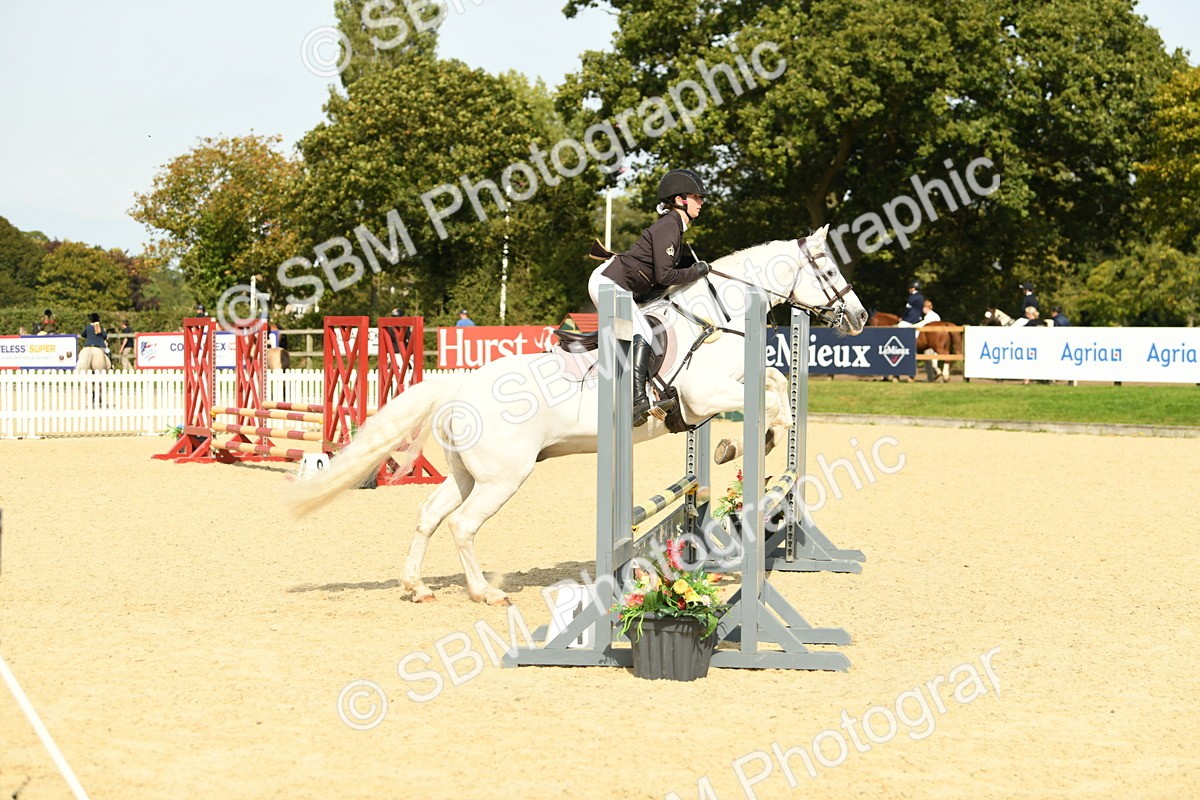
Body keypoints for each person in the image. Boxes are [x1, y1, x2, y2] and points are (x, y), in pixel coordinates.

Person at [588, 168, 711, 425]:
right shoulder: (669, 226)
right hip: (609, 283)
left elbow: (658, 279)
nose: (701, 202)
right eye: (696, 197)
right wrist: (696, 271)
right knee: (642, 332)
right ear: (680, 200)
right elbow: (666, 276)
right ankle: (636, 402)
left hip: (616, 283)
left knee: (643, 330)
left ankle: (642, 393)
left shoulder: (674, 227)